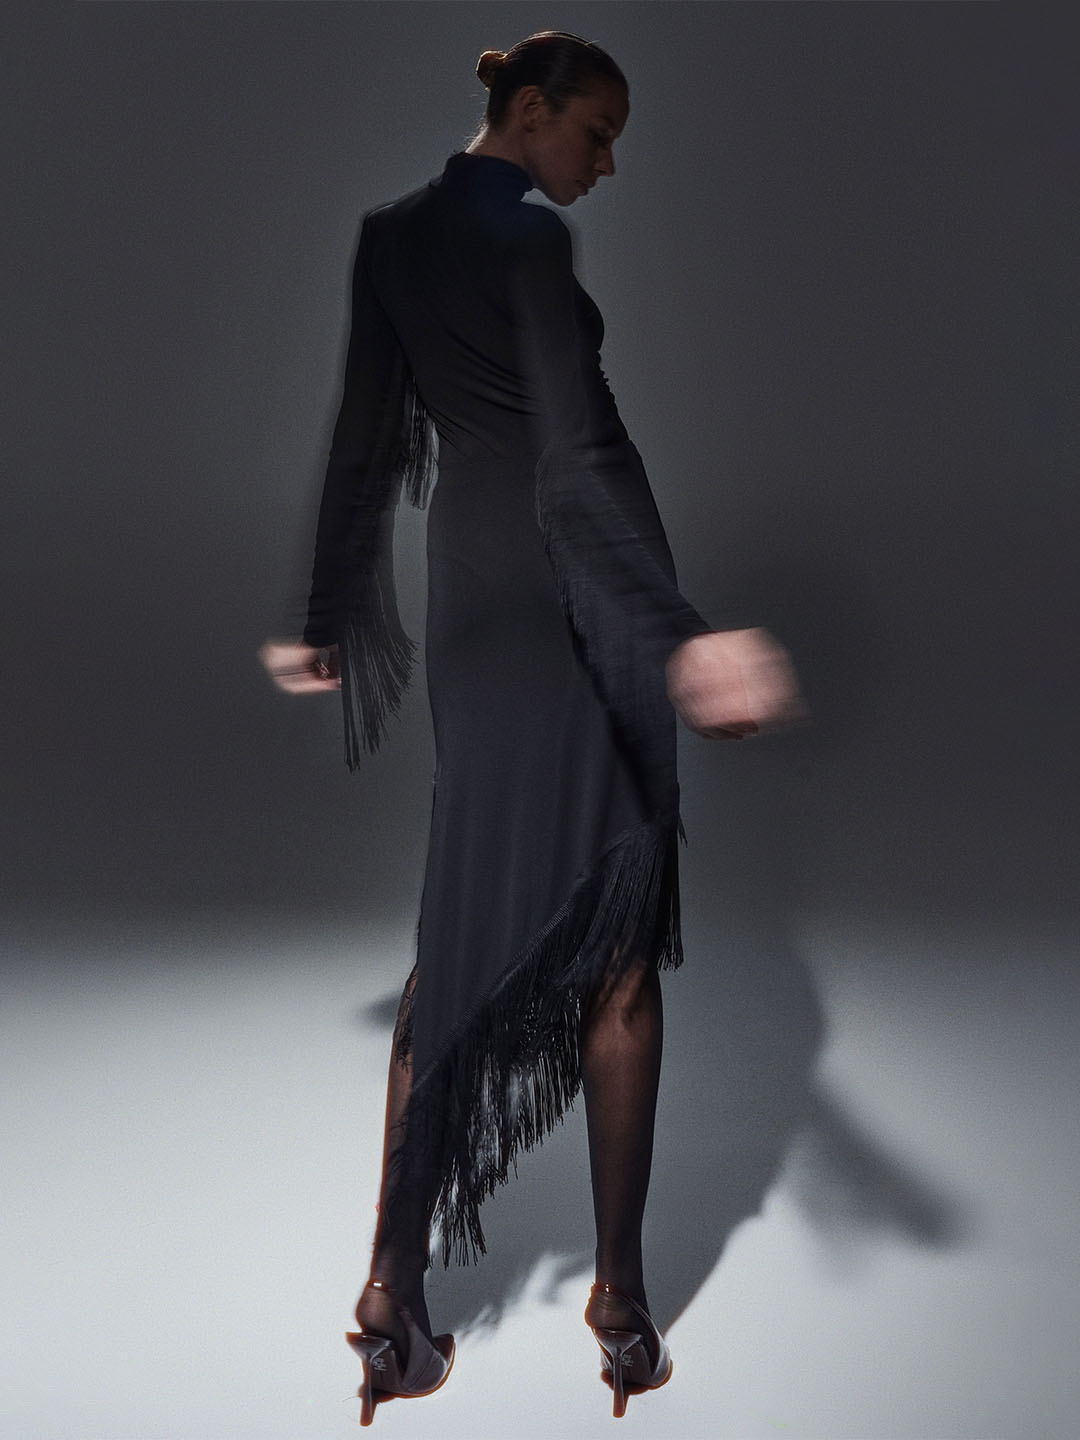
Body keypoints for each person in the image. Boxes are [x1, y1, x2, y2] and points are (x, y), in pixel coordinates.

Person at [259, 30, 804, 1424]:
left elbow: (365, 439)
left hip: (474, 603)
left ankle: (392, 1293)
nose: (607, 166)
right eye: (597, 134)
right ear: (531, 108)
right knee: (618, 957)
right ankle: (620, 1301)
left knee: (458, 933)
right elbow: (577, 455)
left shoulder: (391, 238)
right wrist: (678, 635)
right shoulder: (532, 245)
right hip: (578, 605)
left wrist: (324, 613)